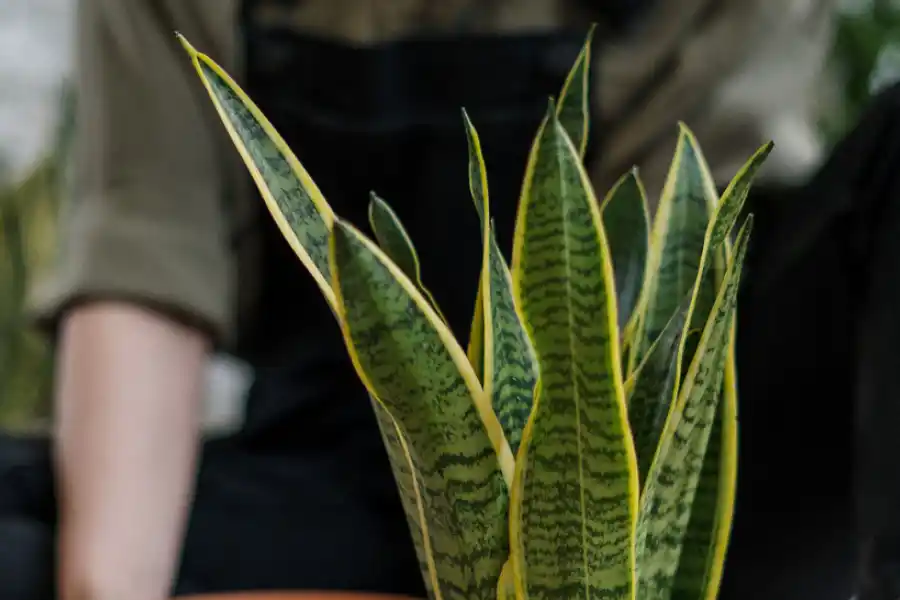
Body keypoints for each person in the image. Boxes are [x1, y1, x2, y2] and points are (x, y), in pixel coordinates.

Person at [2, 0, 887, 599]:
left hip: (669, 492)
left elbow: (660, 276)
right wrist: (108, 586)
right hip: (341, 465)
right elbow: (147, 261)